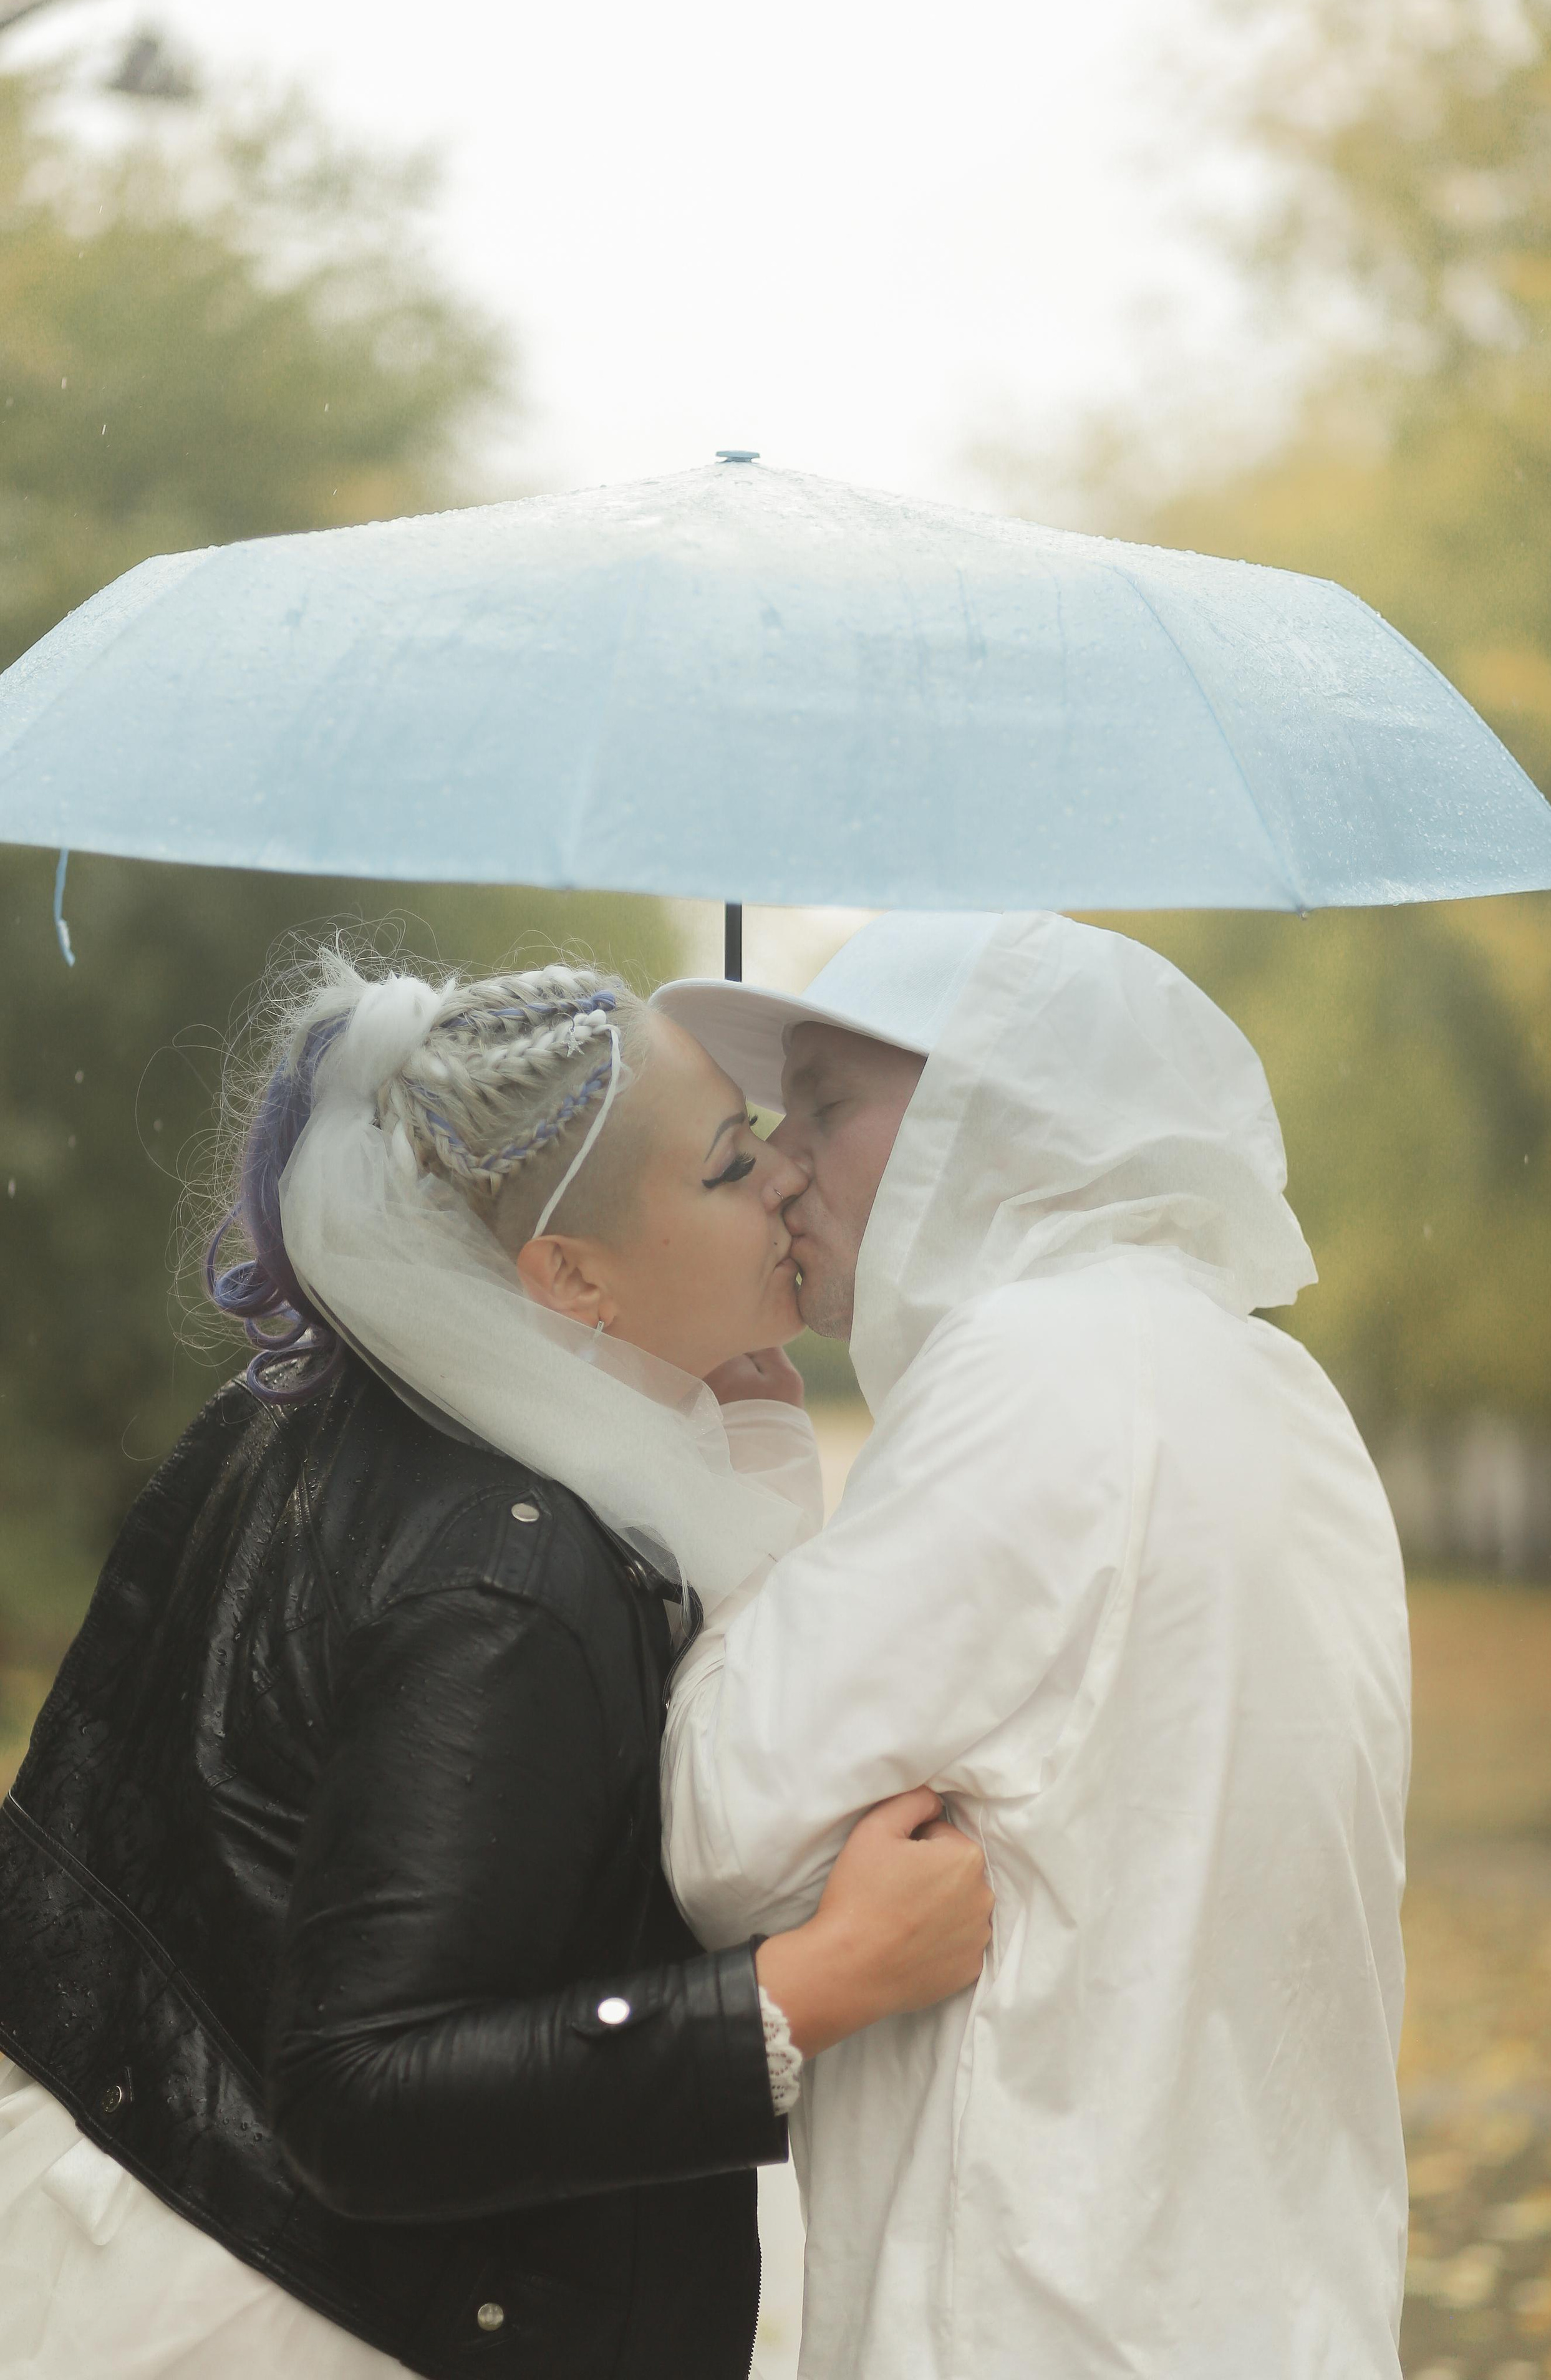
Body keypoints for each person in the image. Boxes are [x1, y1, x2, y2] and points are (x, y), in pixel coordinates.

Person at [0, 948, 993, 2380]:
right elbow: (362, 2095)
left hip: (109, 2223)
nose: (787, 1174)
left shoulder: (309, 1410)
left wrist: (749, 1440)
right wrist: (811, 1983)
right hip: (291, 2316)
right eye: (730, 1164)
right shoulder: (505, 1574)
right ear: (571, 1275)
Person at [657, 909, 1412, 2380]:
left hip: (1039, 2317)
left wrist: (742, 1447)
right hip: (1267, 2313)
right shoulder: (1272, 1385)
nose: (780, 1163)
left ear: (997, 1114)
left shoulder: (1033, 1372)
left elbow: (720, 1831)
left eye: (825, 1106)